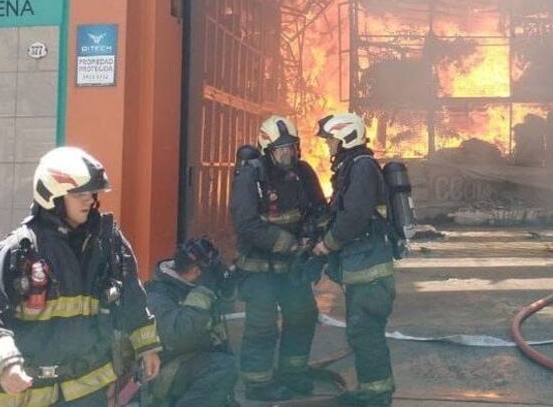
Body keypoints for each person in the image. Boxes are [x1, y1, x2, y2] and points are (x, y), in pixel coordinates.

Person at [0, 147, 161, 406]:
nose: (90, 200)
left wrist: (146, 347)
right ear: (52, 197)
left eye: (92, 193)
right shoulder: (19, 249)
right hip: (28, 394)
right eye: (79, 193)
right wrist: (6, 365)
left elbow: (132, 299)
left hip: (86, 390)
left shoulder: (107, 243)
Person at [229, 115, 327, 401]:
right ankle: (257, 384)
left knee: (302, 317)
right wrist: (284, 241)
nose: (287, 153)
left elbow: (319, 208)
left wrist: (314, 235)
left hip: (294, 267)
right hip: (259, 268)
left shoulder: (304, 172)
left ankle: (293, 374)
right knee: (262, 326)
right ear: (267, 149)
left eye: (291, 146)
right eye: (280, 148)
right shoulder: (251, 176)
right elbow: (245, 222)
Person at [313, 113, 395, 407]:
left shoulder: (361, 168)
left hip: (370, 270)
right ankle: (370, 391)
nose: (329, 146)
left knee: (366, 333)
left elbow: (355, 216)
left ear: (347, 137)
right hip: (362, 266)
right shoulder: (353, 167)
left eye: (332, 140)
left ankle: (376, 396)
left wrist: (328, 243)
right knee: (361, 332)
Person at [145, 238, 238, 406]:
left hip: (190, 363)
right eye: (213, 269)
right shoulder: (157, 296)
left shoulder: (189, 286)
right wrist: (204, 291)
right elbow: (181, 337)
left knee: (222, 366)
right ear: (196, 270)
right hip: (162, 371)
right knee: (222, 367)